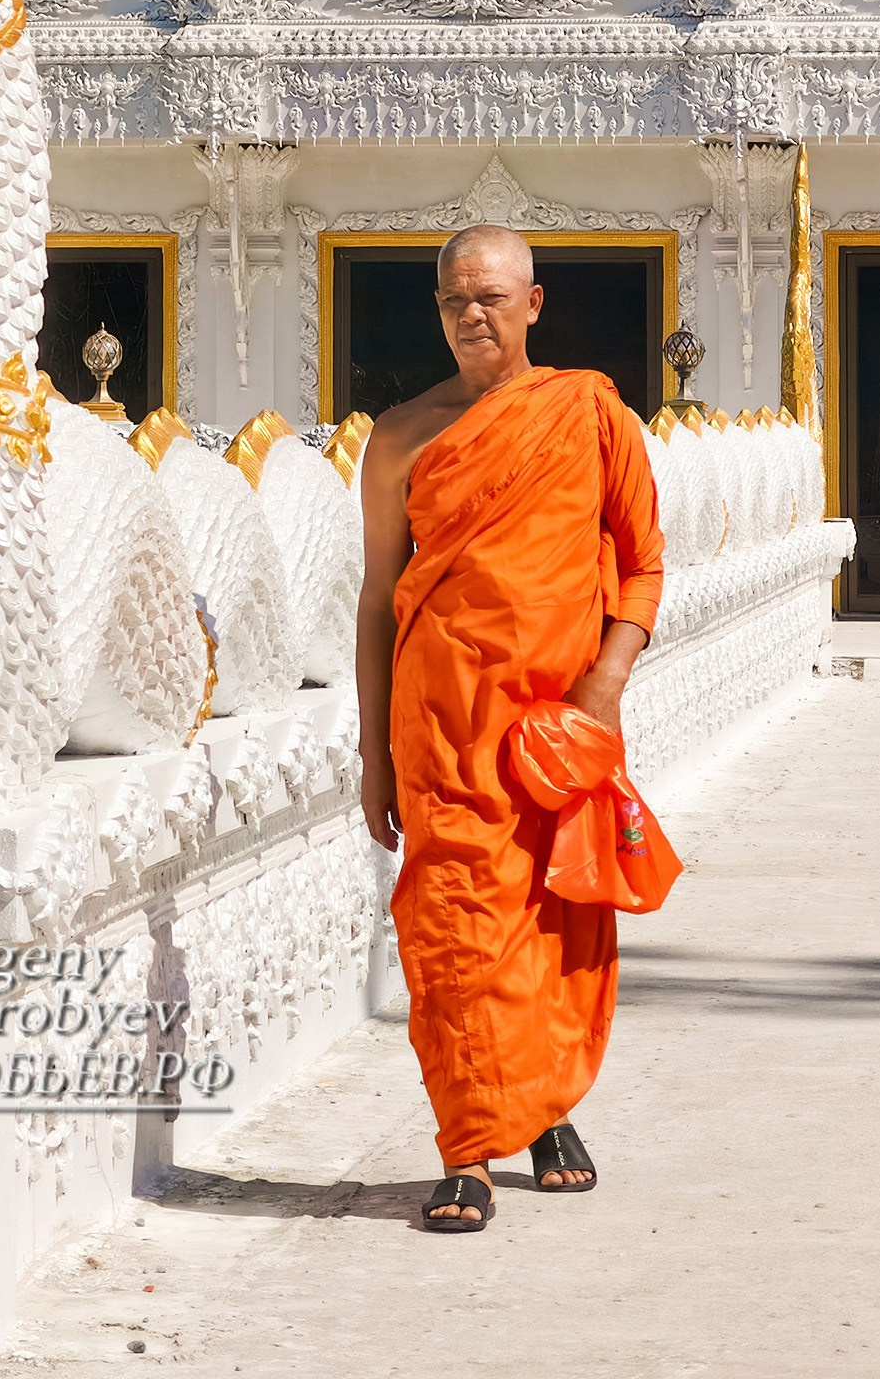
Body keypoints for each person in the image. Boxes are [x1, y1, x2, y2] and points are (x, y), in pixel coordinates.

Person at [355, 224, 663, 1233]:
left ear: (533, 303)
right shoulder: (401, 435)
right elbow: (378, 600)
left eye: (489, 297)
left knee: (552, 926)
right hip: (441, 732)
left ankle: (548, 1111)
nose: (470, 316)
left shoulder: (589, 412)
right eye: (453, 300)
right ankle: (467, 1148)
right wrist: (371, 753)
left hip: (554, 731)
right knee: (453, 931)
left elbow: (643, 565)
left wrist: (606, 684)